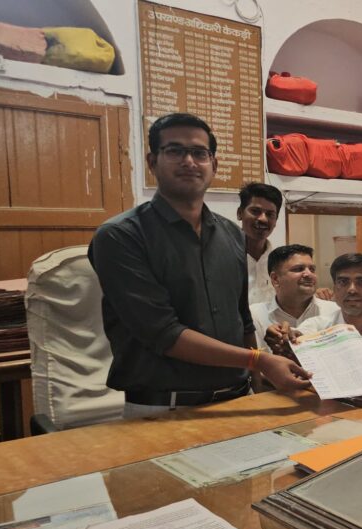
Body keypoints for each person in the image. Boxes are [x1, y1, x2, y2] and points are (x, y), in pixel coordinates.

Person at [89, 113, 309, 418]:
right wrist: (258, 360)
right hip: (162, 410)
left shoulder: (231, 234)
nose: (189, 161)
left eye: (199, 152)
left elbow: (242, 318)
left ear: (213, 165)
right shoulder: (121, 236)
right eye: (175, 150)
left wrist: (257, 384)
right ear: (152, 162)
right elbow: (163, 333)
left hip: (239, 399)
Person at [250, 244, 337, 350]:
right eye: (298, 269)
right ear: (275, 279)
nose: (309, 274)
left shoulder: (334, 312)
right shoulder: (255, 315)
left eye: (312, 269)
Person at [237, 182, 282, 306]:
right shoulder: (221, 258)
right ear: (240, 213)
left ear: (276, 220)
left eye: (270, 214)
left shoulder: (280, 264)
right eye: (255, 211)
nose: (263, 219)